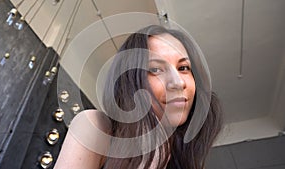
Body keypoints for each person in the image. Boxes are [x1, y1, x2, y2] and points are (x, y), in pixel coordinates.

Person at [54, 25, 222, 169]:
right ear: (131, 82)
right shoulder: (96, 127)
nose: (178, 82)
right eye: (155, 69)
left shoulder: (181, 155)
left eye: (183, 68)